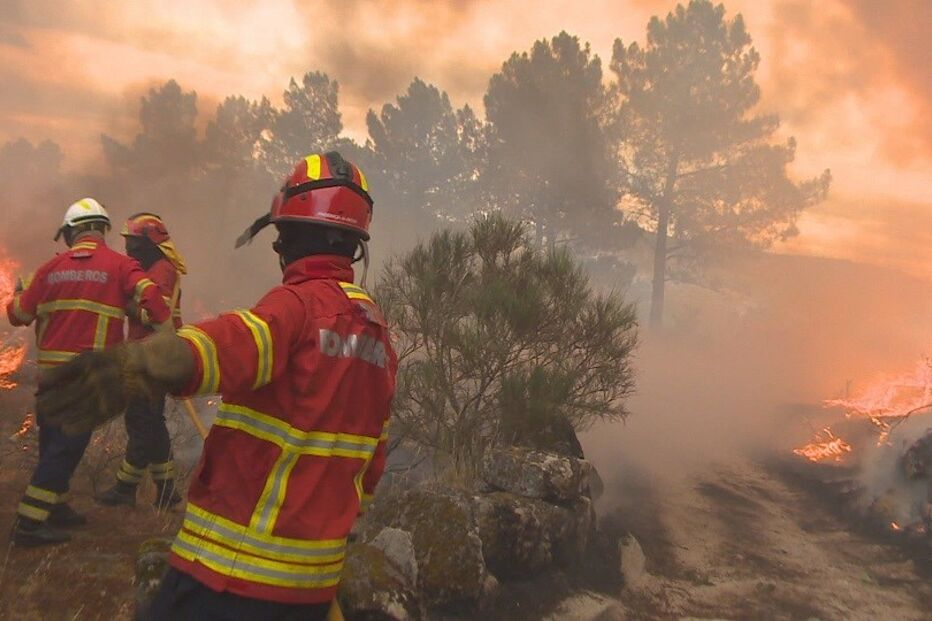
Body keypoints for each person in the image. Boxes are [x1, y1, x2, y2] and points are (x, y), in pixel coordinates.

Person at [37, 152, 396, 620]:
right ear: (354, 245)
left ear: (289, 237)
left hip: (228, 574)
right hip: (311, 587)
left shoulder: (298, 306)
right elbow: (370, 467)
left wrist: (142, 364)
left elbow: (231, 343)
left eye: (281, 236)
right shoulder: (378, 337)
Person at [6, 198, 171, 547]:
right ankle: (29, 524)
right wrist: (147, 318)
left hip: (50, 380)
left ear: (71, 232)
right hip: (88, 382)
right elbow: (155, 303)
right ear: (102, 230)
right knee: (65, 450)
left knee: (53, 442)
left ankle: (57, 506)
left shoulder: (49, 269)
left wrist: (20, 292)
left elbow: (18, 315)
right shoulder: (121, 266)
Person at [97, 213, 187, 510]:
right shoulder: (152, 268)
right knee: (151, 421)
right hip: (146, 353)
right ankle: (167, 490)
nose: (128, 249)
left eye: (133, 242)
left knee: (140, 420)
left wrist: (126, 304)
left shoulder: (162, 270)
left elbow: (156, 313)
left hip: (154, 357)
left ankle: (126, 488)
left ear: (150, 243)